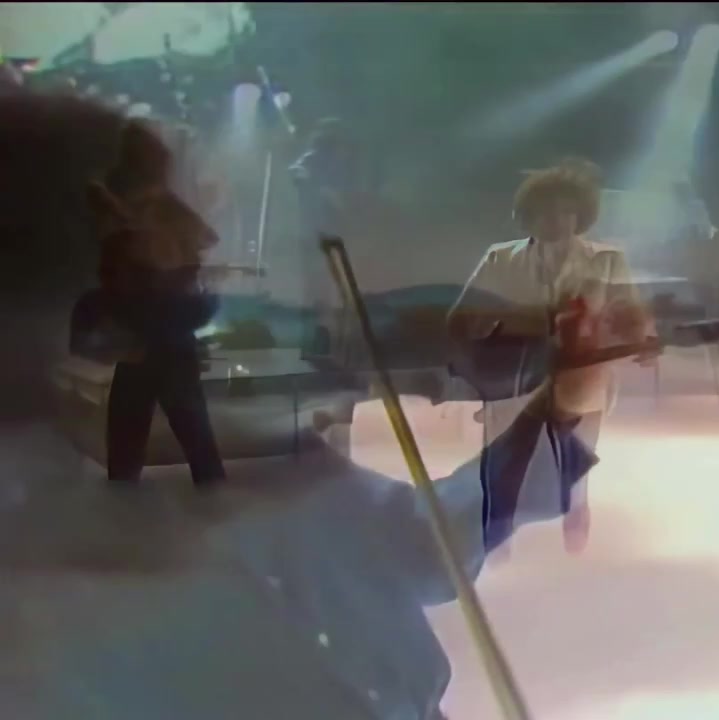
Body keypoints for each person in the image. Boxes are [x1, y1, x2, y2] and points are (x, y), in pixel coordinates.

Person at [1, 91, 604, 720]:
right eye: (156, 208)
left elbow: (422, 548)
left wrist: (560, 410)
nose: (203, 235)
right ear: (72, 236)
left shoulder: (237, 441)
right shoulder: (34, 555)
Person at [447, 159, 654, 555]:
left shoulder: (607, 260)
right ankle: (496, 553)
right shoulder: (499, 258)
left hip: (582, 377)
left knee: (574, 479)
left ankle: (576, 560)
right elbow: (461, 317)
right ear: (527, 217)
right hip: (512, 377)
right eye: (544, 212)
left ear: (580, 215)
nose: (555, 220)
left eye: (564, 211)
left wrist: (640, 339)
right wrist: (486, 346)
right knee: (503, 471)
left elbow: (631, 314)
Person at [76, 118, 227, 486]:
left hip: (158, 326)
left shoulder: (150, 204)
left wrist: (141, 222)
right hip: (152, 327)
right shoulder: (132, 203)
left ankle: (142, 496)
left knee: (161, 427)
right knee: (165, 427)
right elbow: (198, 242)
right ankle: (200, 494)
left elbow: (201, 240)